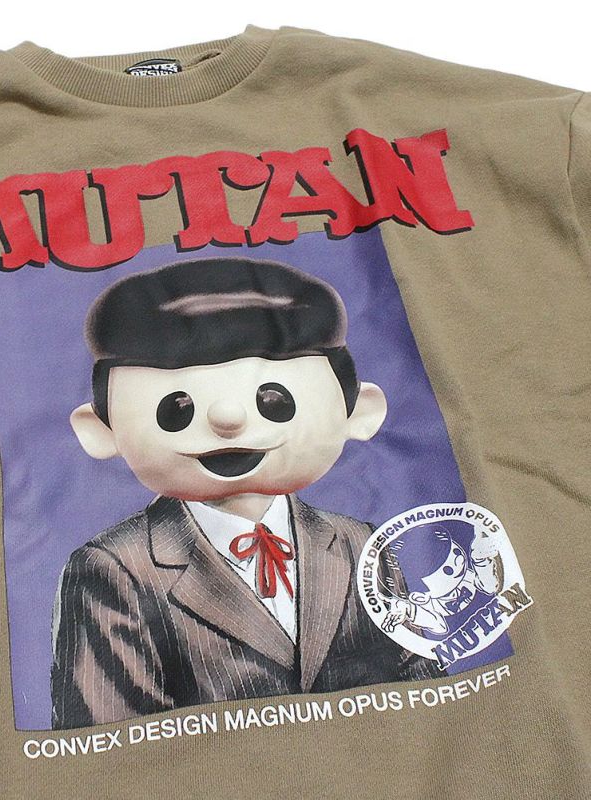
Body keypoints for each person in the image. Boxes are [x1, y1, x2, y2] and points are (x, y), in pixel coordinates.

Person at [50, 256, 440, 730]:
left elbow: (424, 685)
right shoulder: (114, 569)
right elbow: (109, 737)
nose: (228, 419)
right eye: (178, 407)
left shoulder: (359, 544)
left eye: (272, 401)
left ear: (358, 412)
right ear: (100, 431)